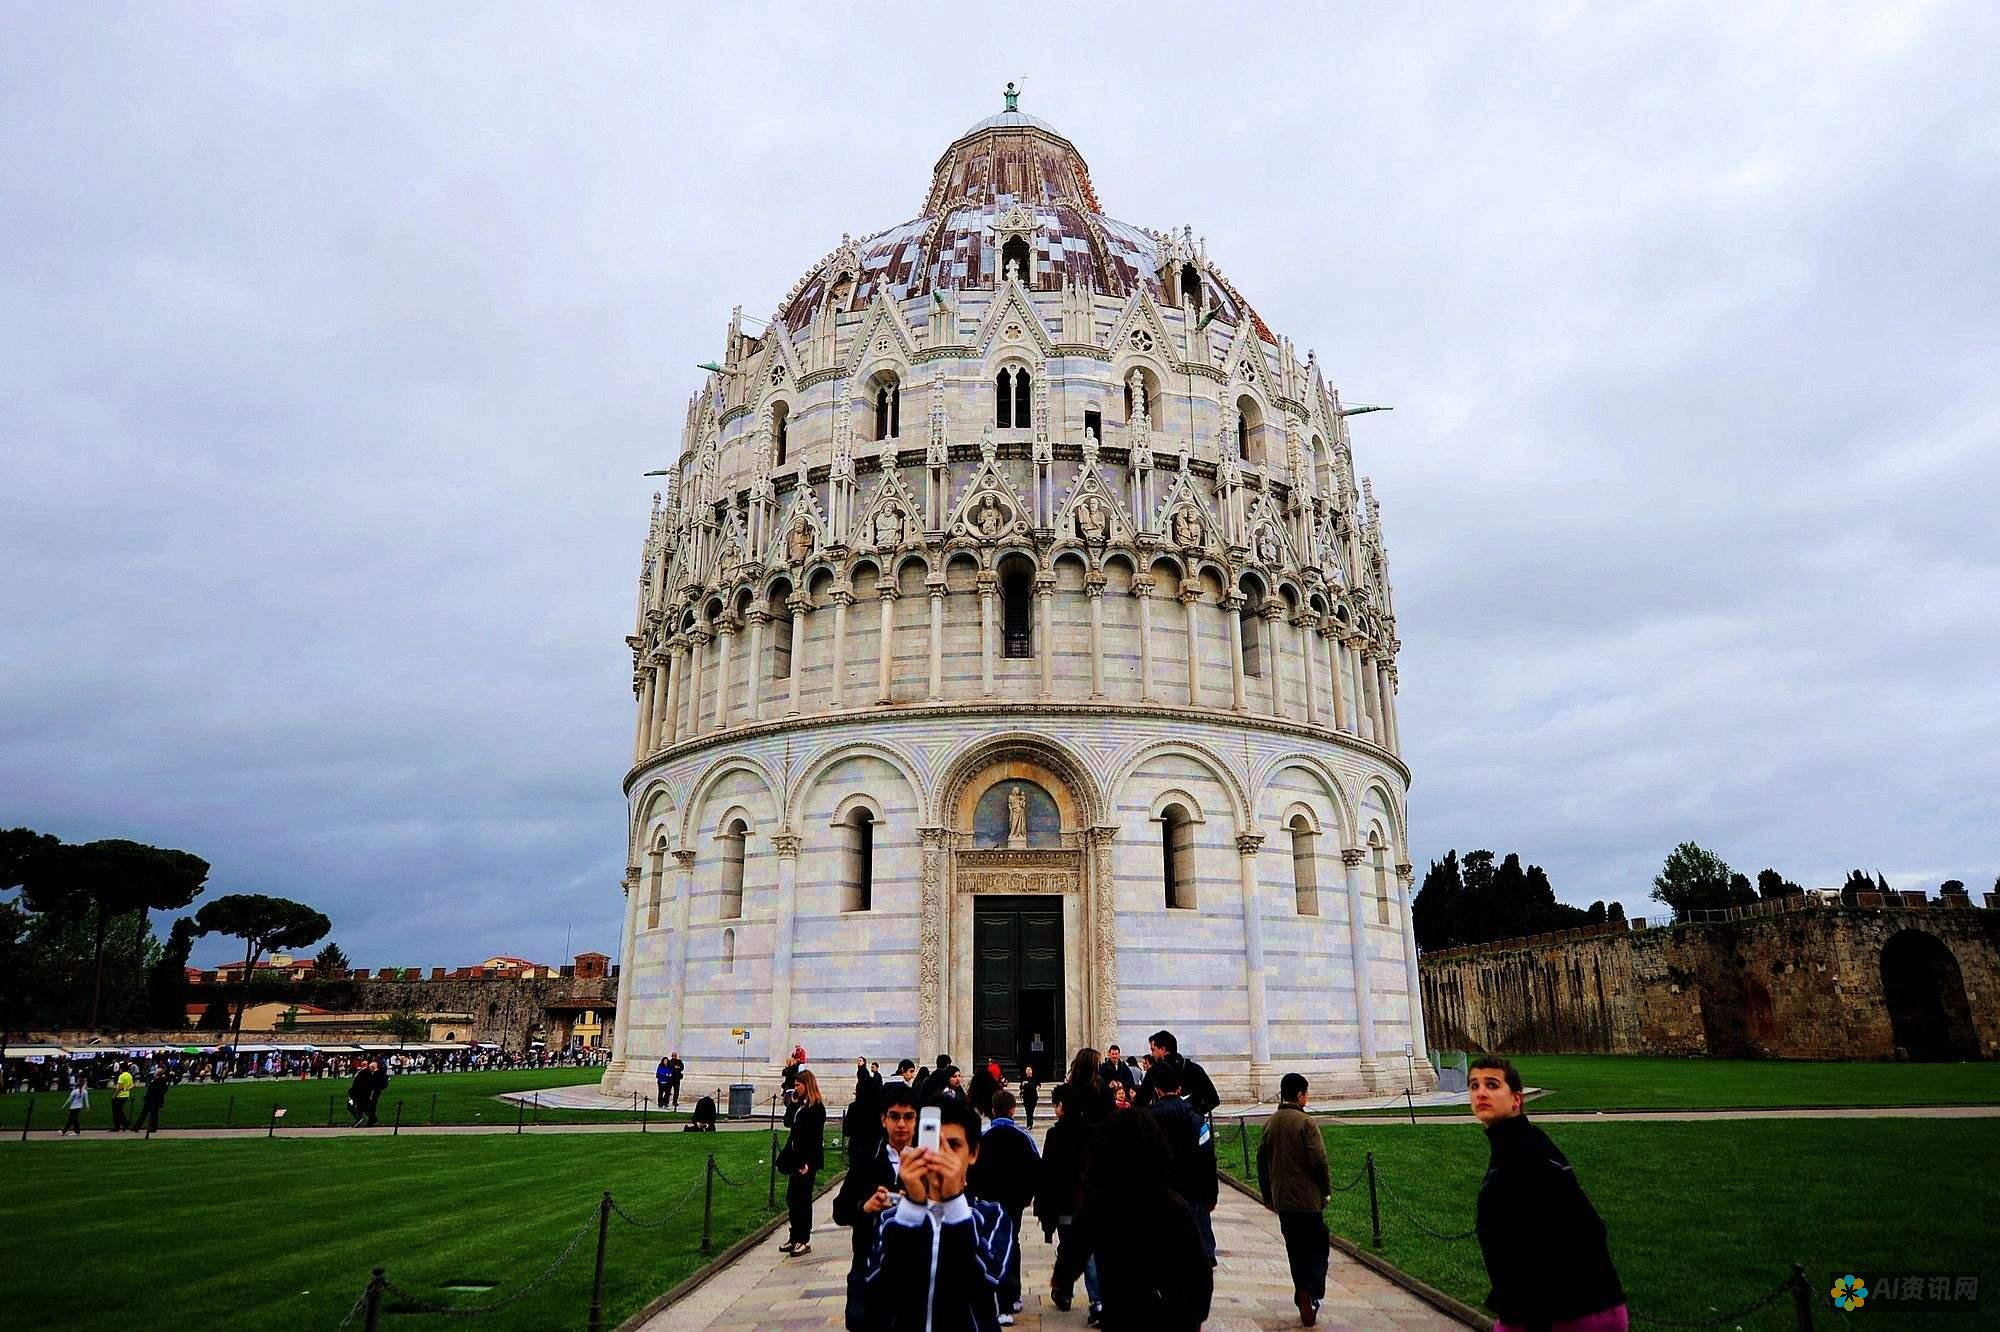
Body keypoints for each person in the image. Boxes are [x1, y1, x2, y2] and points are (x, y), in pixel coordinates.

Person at [1469, 1056, 1628, 1332]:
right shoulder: (1529, 1142)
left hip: (1561, 1316)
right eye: (1474, 1085)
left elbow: (1563, 1238)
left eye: (1492, 1085)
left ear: (1516, 1100)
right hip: (1586, 1307)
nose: (1481, 1092)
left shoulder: (1522, 1156)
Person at [861, 1095, 1013, 1330]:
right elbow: (877, 1284)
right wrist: (912, 1208)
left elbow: (986, 1280)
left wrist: (953, 1202)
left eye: (953, 1146)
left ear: (973, 1153)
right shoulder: (893, 1218)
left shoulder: (992, 1216)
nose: (943, 1156)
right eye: (934, 1145)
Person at [1052, 1109, 1212, 1329]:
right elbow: (1198, 1267)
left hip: (1122, 1311)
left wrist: (1062, 1278)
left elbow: (1075, 1248)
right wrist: (1197, 1314)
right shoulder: (1172, 1204)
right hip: (1170, 1313)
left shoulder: (1099, 1203)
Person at [832, 1082, 917, 1330]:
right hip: (868, 1267)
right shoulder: (867, 1158)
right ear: (883, 1120)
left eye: (908, 1117)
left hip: (914, 1271)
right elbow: (840, 1211)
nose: (901, 1124)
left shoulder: (927, 1163)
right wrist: (865, 1207)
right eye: (894, 1116)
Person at [1258, 1072, 1332, 1326]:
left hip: (1283, 1201)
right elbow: (1319, 1160)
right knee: (1318, 1246)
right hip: (1307, 1199)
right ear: (1300, 1095)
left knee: (1295, 1249)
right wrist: (1325, 1189)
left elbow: (1260, 1161)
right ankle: (1312, 1291)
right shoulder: (1305, 1123)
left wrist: (1267, 1195)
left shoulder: (1271, 1122)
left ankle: (1302, 1290)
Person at [968, 1090, 1039, 1324]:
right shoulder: (1023, 1137)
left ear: (992, 1109)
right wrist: (1031, 1195)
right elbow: (1035, 1168)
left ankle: (999, 1297)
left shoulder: (982, 1138)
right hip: (1015, 1201)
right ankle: (1013, 1295)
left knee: (990, 1245)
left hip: (988, 1202)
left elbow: (972, 1169)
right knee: (1012, 1243)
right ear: (1013, 1110)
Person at [1144, 1060, 1218, 1264]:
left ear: (1157, 1090)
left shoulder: (1145, 1120)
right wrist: (1211, 1195)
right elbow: (1208, 1159)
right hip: (1191, 1191)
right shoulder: (1197, 1121)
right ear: (1178, 1089)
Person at [779, 1068, 827, 1257]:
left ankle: (803, 1239)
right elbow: (788, 1123)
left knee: (803, 1199)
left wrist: (807, 1161)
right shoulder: (800, 1105)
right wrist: (793, 1104)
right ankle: (794, 1236)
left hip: (807, 1159)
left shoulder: (816, 1108)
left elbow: (814, 1137)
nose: (796, 1088)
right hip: (795, 1156)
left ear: (807, 1085)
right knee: (792, 1197)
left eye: (798, 1085)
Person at [1142, 1030, 1220, 1118]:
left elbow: (1140, 1103)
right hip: (1191, 1127)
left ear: (1163, 1049)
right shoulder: (1195, 1069)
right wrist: (1193, 1114)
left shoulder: (1154, 1071)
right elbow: (1214, 1100)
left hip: (1162, 1127)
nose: (1152, 1055)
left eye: (1153, 1050)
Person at [135, 1066, 171, 1135]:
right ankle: (138, 1126)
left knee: (151, 1114)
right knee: (146, 1114)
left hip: (153, 1100)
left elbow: (155, 1090)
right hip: (151, 1100)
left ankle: (151, 1127)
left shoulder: (159, 1081)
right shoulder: (158, 1080)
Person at [111, 1062, 135, 1132]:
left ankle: (120, 1125)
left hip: (119, 1096)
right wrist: (126, 1089)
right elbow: (132, 1085)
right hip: (126, 1095)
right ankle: (124, 1124)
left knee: (116, 1112)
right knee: (119, 1111)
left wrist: (114, 1095)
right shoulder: (129, 1075)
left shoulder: (121, 1076)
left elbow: (119, 1087)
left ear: (121, 1069)